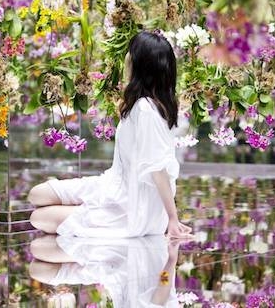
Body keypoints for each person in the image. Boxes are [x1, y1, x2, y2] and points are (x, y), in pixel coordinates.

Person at [27, 31, 193, 239]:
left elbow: (158, 168)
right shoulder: (143, 105)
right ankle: (85, 214)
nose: (126, 58)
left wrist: (172, 219)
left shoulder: (145, 109)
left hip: (131, 206)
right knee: (38, 194)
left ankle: (86, 231)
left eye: (130, 53)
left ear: (140, 64)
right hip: (112, 186)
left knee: (40, 218)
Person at [28, 234, 180, 307]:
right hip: (121, 258)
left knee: (37, 270)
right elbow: (163, 284)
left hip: (105, 275)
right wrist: (171, 261)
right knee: (38, 249)